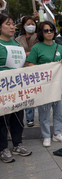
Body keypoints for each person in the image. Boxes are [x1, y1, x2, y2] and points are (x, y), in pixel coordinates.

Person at [26, 21, 62, 147]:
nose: (49, 32)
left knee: (59, 111)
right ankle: (46, 135)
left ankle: (57, 134)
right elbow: (30, 64)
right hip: (44, 85)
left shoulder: (59, 47)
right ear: (41, 32)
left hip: (57, 84)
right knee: (44, 112)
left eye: (51, 30)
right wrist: (43, 68)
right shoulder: (37, 48)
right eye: (46, 30)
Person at [0, 13, 32, 163]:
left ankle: (17, 144)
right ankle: (3, 148)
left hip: (18, 87)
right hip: (2, 88)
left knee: (18, 117)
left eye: (13, 24)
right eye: (8, 24)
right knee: (2, 119)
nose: (12, 27)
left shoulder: (17, 44)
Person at [16, 15, 39, 127]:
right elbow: (15, 54)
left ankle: (41, 116)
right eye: (28, 24)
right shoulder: (18, 39)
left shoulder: (39, 37)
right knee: (27, 95)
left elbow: (40, 51)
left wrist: (24, 54)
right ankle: (29, 118)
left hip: (38, 69)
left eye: (33, 24)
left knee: (39, 93)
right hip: (23, 69)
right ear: (24, 26)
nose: (30, 26)